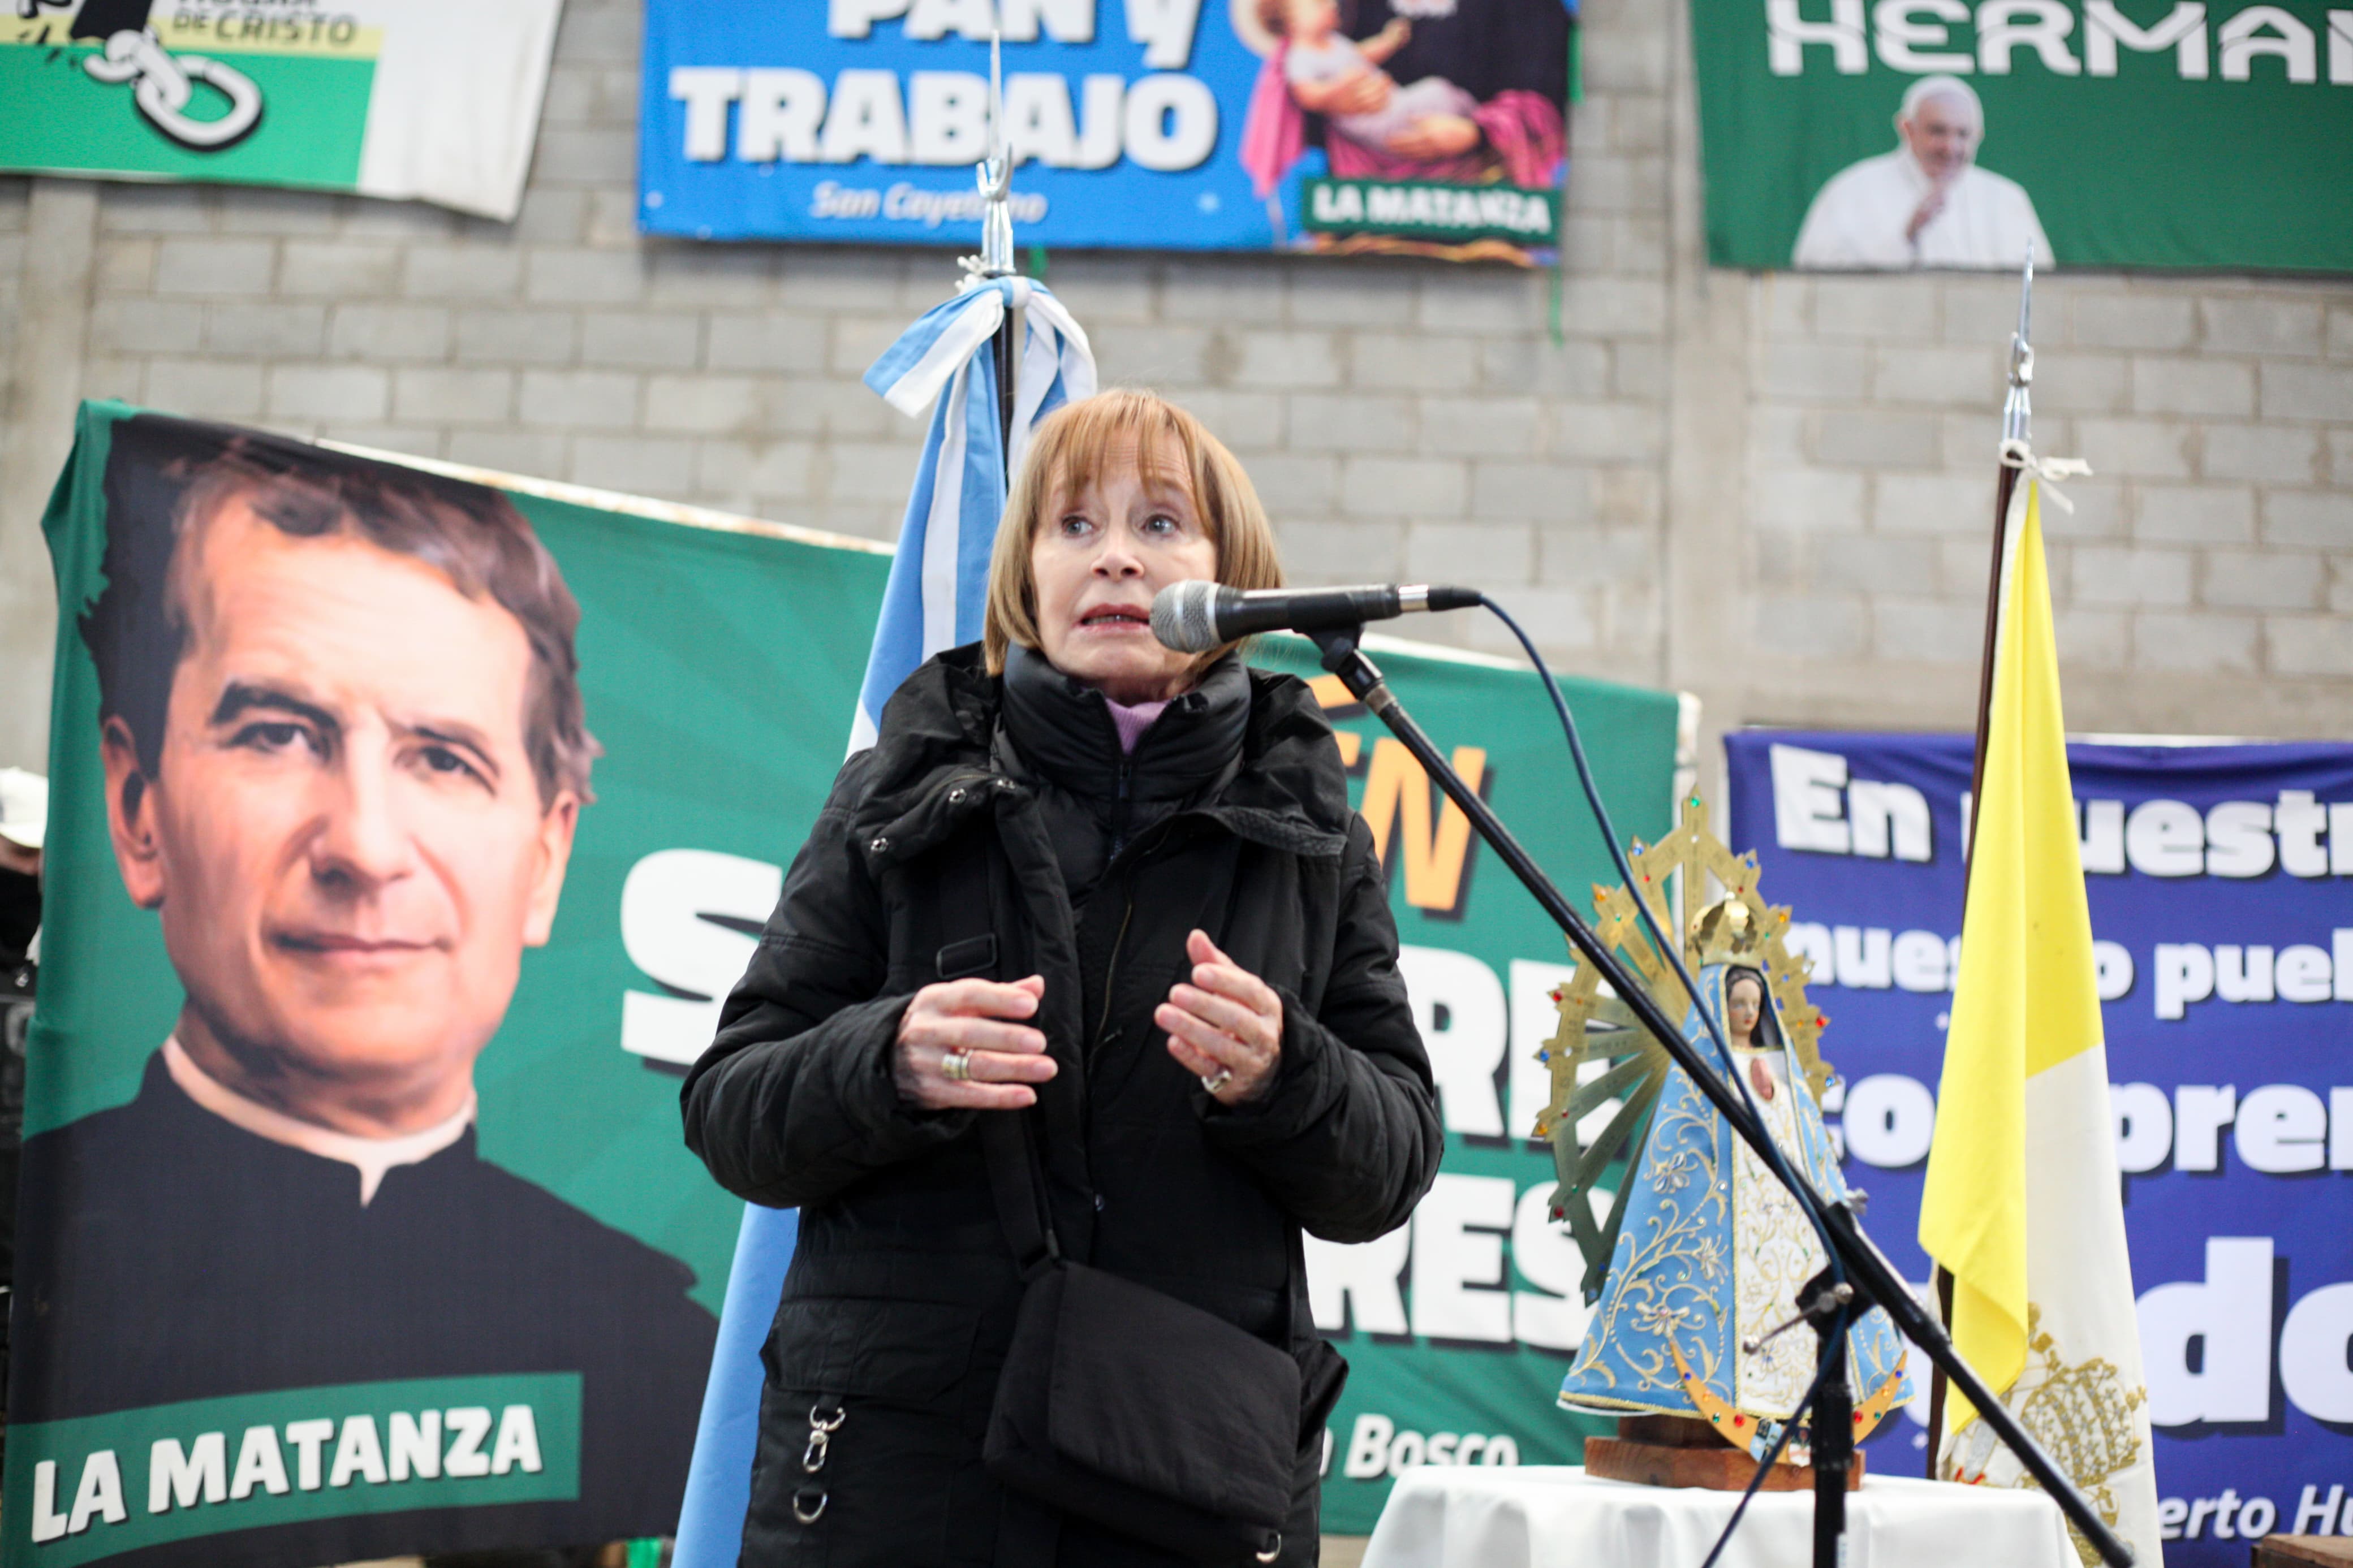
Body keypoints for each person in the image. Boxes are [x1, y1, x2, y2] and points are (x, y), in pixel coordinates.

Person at [680, 389, 1442, 1567]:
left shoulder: (1311, 834)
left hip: (1185, 1482)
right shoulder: (898, 787)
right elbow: (732, 1110)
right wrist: (886, 1061)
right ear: (1023, 574)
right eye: (1073, 526)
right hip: (902, 1483)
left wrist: (1288, 1074)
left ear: (1230, 574)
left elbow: (1388, 1167)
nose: (1118, 558)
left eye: (1161, 524)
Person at [14, 417, 717, 1565]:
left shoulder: (662, 1352)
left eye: (444, 757)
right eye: (280, 733)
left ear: (545, 858)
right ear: (138, 805)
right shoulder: (31, 1252)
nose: (365, 846)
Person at [1556, 901, 1909, 1453]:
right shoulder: (1698, 1075)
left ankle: (1796, 1417)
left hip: (1778, 1218)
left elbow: (1802, 1146)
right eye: (1736, 1004)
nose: (1746, 1013)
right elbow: (1683, 1153)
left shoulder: (1776, 1067)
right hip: (1720, 1214)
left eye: (1754, 1003)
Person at [1791, 75, 2054, 271]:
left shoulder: (2006, 197)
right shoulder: (1853, 189)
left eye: (1963, 134)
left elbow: (2038, 284)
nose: (1950, 147)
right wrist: (1905, 237)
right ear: (1908, 129)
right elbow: (1816, 279)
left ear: (1978, 137)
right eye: (1938, 131)